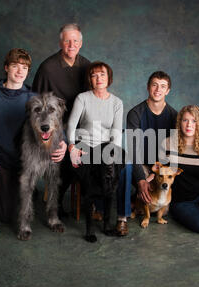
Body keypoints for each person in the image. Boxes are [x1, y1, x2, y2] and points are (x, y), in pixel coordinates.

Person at [0, 48, 66, 246]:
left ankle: (10, 202)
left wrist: (63, 142)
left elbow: (50, 120)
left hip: (22, 165)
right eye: (15, 66)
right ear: (6, 68)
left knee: (8, 215)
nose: (19, 71)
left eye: (24, 67)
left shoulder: (32, 98)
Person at [32, 23, 90, 216]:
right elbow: (36, 107)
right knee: (63, 152)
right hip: (54, 126)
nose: (71, 45)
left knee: (96, 150)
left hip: (82, 125)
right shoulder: (48, 68)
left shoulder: (87, 66)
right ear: (60, 43)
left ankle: (91, 199)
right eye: (67, 41)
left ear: (81, 44)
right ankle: (55, 201)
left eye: (75, 41)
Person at [115, 71, 178, 236]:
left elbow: (173, 154)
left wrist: (156, 174)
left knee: (163, 212)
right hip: (140, 164)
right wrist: (142, 179)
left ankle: (139, 200)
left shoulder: (174, 116)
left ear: (168, 90)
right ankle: (126, 212)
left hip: (161, 169)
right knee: (127, 166)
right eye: (154, 85)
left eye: (163, 86)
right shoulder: (135, 113)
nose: (158, 89)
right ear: (148, 87)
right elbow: (133, 151)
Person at [67, 61, 123, 239]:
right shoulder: (82, 98)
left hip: (105, 149)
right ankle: (90, 228)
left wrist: (113, 152)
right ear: (90, 79)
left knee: (118, 163)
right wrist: (71, 146)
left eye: (102, 74)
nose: (99, 78)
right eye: (94, 75)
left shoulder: (116, 103)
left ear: (109, 78)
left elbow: (116, 132)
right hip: (84, 146)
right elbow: (71, 125)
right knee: (92, 179)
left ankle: (107, 224)